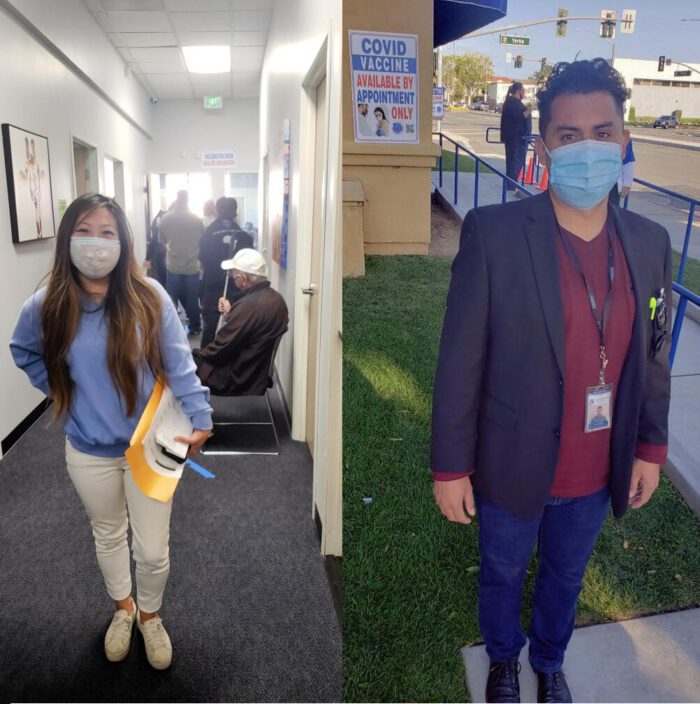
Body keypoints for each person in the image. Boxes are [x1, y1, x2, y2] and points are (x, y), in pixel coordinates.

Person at [432, 59, 671, 703]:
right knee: (503, 573)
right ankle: (506, 661)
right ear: (544, 147)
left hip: (599, 469)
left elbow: (653, 356)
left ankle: (550, 658)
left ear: (624, 141)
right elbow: (460, 362)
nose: (588, 148)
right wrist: (451, 467)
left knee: (566, 576)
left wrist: (650, 447)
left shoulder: (649, 243)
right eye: (569, 135)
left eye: (603, 131)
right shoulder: (497, 235)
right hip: (511, 462)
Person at [10, 193, 213, 670]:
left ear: (123, 240)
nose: (96, 243)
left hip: (150, 446)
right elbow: (24, 351)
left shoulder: (150, 297)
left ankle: (150, 615)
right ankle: (123, 610)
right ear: (67, 240)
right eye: (84, 230)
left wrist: (201, 416)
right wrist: (64, 393)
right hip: (88, 450)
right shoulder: (47, 305)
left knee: (153, 550)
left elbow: (180, 365)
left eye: (107, 232)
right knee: (107, 535)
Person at [194, 249, 288, 396]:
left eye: (233, 274)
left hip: (237, 377)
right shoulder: (276, 299)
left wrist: (196, 355)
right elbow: (252, 330)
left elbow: (219, 349)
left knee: (184, 365)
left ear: (243, 279)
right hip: (255, 373)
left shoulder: (248, 307)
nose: (231, 277)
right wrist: (230, 314)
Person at [198, 197, 254, 349]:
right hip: (238, 287)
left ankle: (205, 363)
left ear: (217, 211)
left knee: (210, 327)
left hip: (212, 285)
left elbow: (201, 259)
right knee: (236, 326)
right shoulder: (245, 237)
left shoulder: (208, 233)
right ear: (235, 212)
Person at [159, 190, 203, 335]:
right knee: (192, 300)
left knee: (171, 299)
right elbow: (201, 240)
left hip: (173, 265)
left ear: (176, 199)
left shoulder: (166, 218)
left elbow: (162, 240)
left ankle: (171, 329)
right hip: (192, 266)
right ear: (188, 200)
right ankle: (195, 326)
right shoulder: (196, 219)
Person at [500, 82, 531, 192]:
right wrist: (529, 110)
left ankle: (511, 184)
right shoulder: (512, 103)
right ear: (518, 91)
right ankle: (511, 185)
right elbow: (519, 118)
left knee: (514, 161)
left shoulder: (512, 102)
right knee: (515, 161)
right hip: (516, 139)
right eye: (523, 90)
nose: (524, 92)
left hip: (515, 138)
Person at [144, 206, 168, 287]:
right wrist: (148, 258)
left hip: (160, 255)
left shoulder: (160, 217)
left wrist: (148, 258)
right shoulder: (164, 218)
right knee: (162, 282)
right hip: (161, 256)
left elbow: (154, 238)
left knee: (161, 281)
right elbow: (155, 238)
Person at [609, 136, 635, 205]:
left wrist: (627, 184)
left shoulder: (623, 137)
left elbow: (628, 161)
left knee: (612, 210)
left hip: (613, 184)